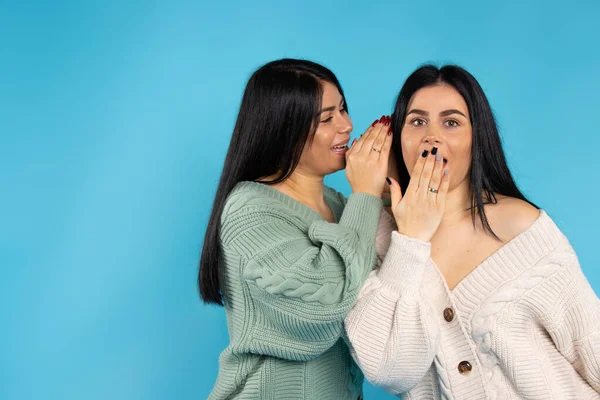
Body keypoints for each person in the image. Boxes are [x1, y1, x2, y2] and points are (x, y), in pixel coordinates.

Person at [345, 64, 600, 399]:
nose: (431, 136)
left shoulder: (520, 226)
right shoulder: (375, 236)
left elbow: (591, 349)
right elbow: (389, 370)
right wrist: (409, 239)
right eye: (417, 121)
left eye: (451, 122)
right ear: (399, 139)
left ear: (476, 137)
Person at [199, 58, 393, 399]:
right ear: (284, 128)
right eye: (327, 118)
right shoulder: (249, 210)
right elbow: (327, 303)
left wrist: (391, 198)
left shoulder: (338, 206)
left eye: (344, 109)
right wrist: (365, 194)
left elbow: (383, 296)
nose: (347, 126)